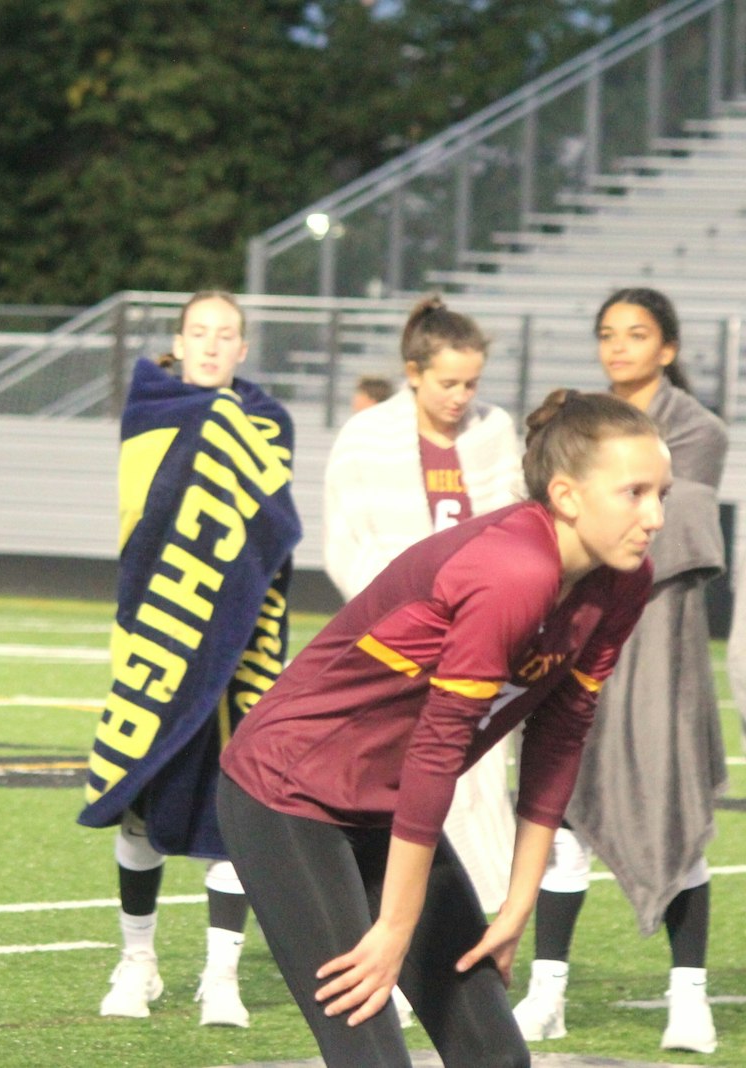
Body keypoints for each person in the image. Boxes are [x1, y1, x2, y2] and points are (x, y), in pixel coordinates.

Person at [219, 388, 667, 1068]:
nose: (655, 515)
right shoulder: (514, 570)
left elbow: (559, 733)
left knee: (496, 1057)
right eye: (634, 492)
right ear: (568, 495)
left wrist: (518, 903)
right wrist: (395, 927)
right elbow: (437, 749)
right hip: (287, 794)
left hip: (387, 809)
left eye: (661, 492)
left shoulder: (624, 581)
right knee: (370, 1054)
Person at [512, 287, 727, 1055]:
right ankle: (547, 995)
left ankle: (689, 1000)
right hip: (581, 635)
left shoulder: (697, 429)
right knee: (561, 816)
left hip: (660, 645)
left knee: (675, 819)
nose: (619, 348)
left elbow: (667, 529)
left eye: (636, 335)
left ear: (667, 348)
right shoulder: (584, 422)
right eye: (607, 334)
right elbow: (549, 511)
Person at [79, 291, 302, 1028]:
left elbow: (268, 532)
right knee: (139, 805)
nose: (211, 345)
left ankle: (222, 975)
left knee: (229, 813)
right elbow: (141, 523)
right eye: (198, 333)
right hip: (155, 634)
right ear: (178, 342)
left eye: (225, 335)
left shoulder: (268, 422)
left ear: (243, 349)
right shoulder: (149, 408)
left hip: (237, 646)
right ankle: (137, 962)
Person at [324, 296, 525, 925]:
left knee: (483, 790)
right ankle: (398, 941)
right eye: (447, 383)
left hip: (479, 644)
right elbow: (345, 542)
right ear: (413, 372)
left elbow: (518, 530)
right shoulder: (366, 437)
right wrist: (399, 623)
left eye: (471, 383)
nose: (461, 396)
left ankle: (482, 940)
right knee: (399, 790)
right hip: (397, 650)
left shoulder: (495, 432)